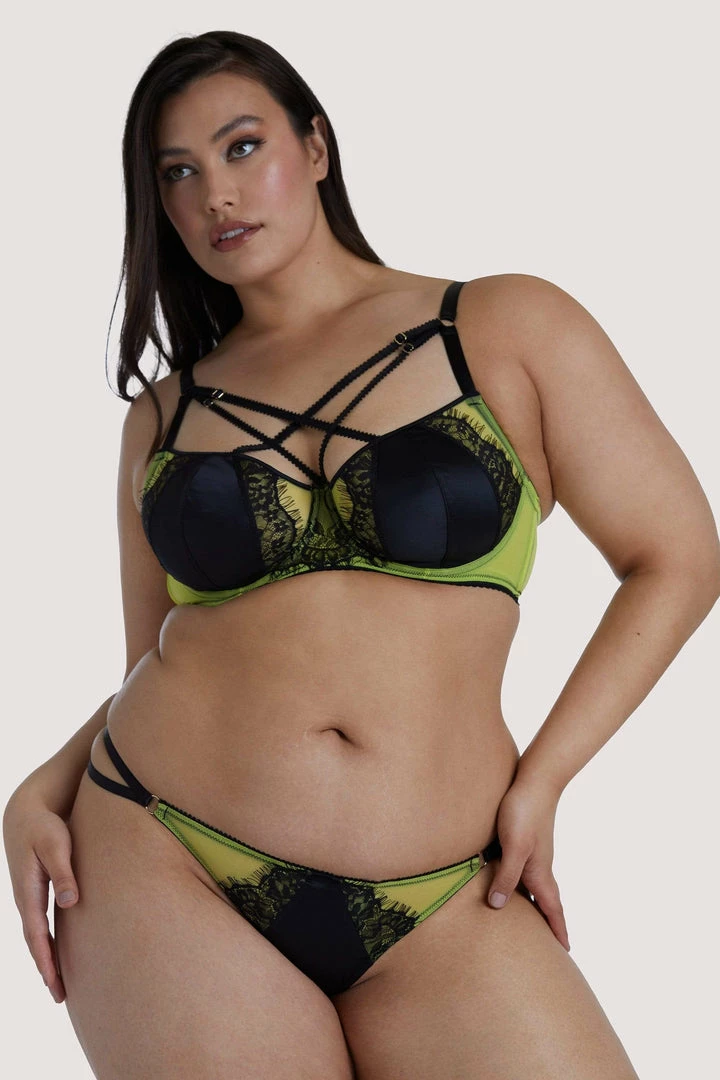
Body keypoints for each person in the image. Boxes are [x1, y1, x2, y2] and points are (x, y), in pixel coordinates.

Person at [3, 28, 719, 1079]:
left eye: (242, 147)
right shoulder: (163, 417)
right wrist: (41, 785)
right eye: (178, 173)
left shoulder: (501, 325)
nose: (216, 194)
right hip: (167, 852)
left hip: (450, 890)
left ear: (317, 146)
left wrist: (544, 781)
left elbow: (679, 557)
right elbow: (160, 654)